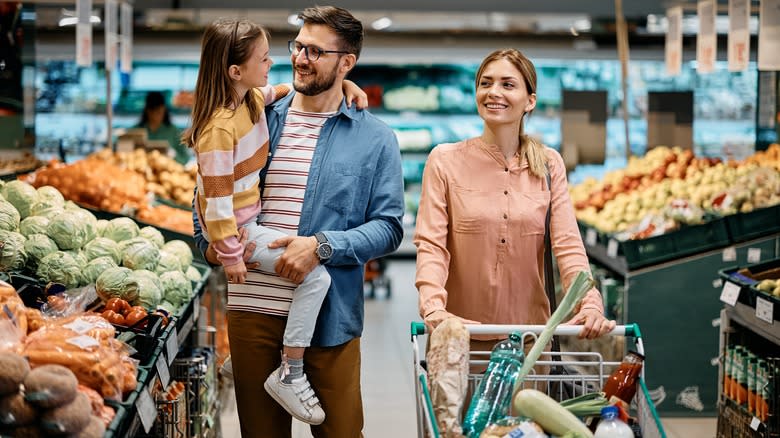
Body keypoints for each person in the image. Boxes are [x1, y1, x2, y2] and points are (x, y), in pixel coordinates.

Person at [192, 7, 404, 437]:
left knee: (342, 432)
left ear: (347, 62)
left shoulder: (375, 138)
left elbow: (389, 226)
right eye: (298, 46)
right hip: (253, 309)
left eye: (315, 51)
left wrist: (321, 246)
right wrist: (212, 247)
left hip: (329, 316)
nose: (301, 58)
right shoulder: (256, 112)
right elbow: (207, 195)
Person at [414, 49, 616, 352]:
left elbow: (568, 246)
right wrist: (434, 308)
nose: (494, 92)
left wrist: (589, 304)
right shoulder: (444, 160)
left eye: (508, 84)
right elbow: (432, 245)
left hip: (531, 341)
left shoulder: (548, 164)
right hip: (458, 338)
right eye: (486, 83)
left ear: (530, 100)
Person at [137, 91, 189, 164]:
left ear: (164, 110)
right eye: (152, 111)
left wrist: (172, 154)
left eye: (158, 112)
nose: (155, 116)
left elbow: (185, 159)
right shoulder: (135, 131)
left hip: (169, 172)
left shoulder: (175, 132)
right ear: (147, 111)